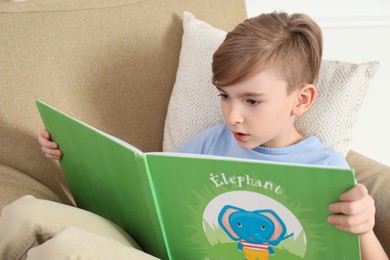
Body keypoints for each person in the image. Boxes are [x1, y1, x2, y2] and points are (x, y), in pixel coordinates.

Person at [39, 12, 388, 259]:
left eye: (252, 100)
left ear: (301, 100)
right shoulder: (211, 142)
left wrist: (364, 227)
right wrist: (67, 157)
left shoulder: (325, 168)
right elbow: (147, 202)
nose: (233, 117)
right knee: (32, 217)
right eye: (224, 96)